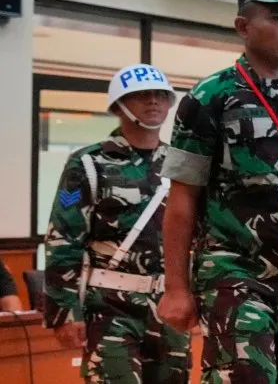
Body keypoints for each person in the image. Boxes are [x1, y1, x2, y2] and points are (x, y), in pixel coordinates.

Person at [158, 0, 278, 383]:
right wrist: (176, 288)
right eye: (277, 18)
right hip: (233, 269)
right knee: (245, 374)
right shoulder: (209, 97)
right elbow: (181, 199)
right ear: (243, 26)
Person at [44, 63, 192, 383]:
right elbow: (63, 238)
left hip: (170, 306)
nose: (153, 101)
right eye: (141, 95)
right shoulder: (88, 163)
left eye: (160, 95)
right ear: (118, 106)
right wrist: (65, 311)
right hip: (110, 307)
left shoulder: (181, 164)